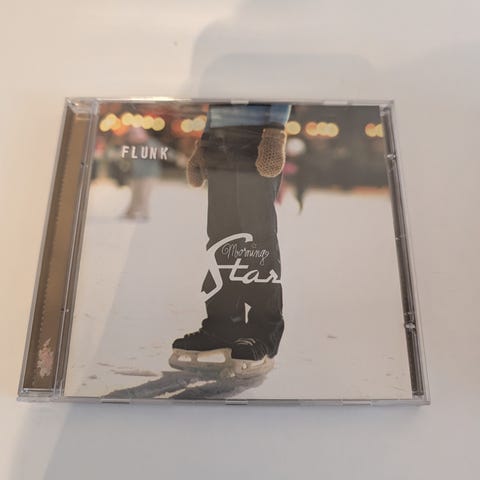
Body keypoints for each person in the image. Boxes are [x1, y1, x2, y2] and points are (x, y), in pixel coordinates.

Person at [169, 103, 291, 376]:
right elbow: (219, 98)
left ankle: (262, 331)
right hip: (220, 143)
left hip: (257, 140)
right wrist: (205, 140)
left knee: (256, 239)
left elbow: (280, 86)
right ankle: (223, 325)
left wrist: (275, 132)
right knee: (221, 238)